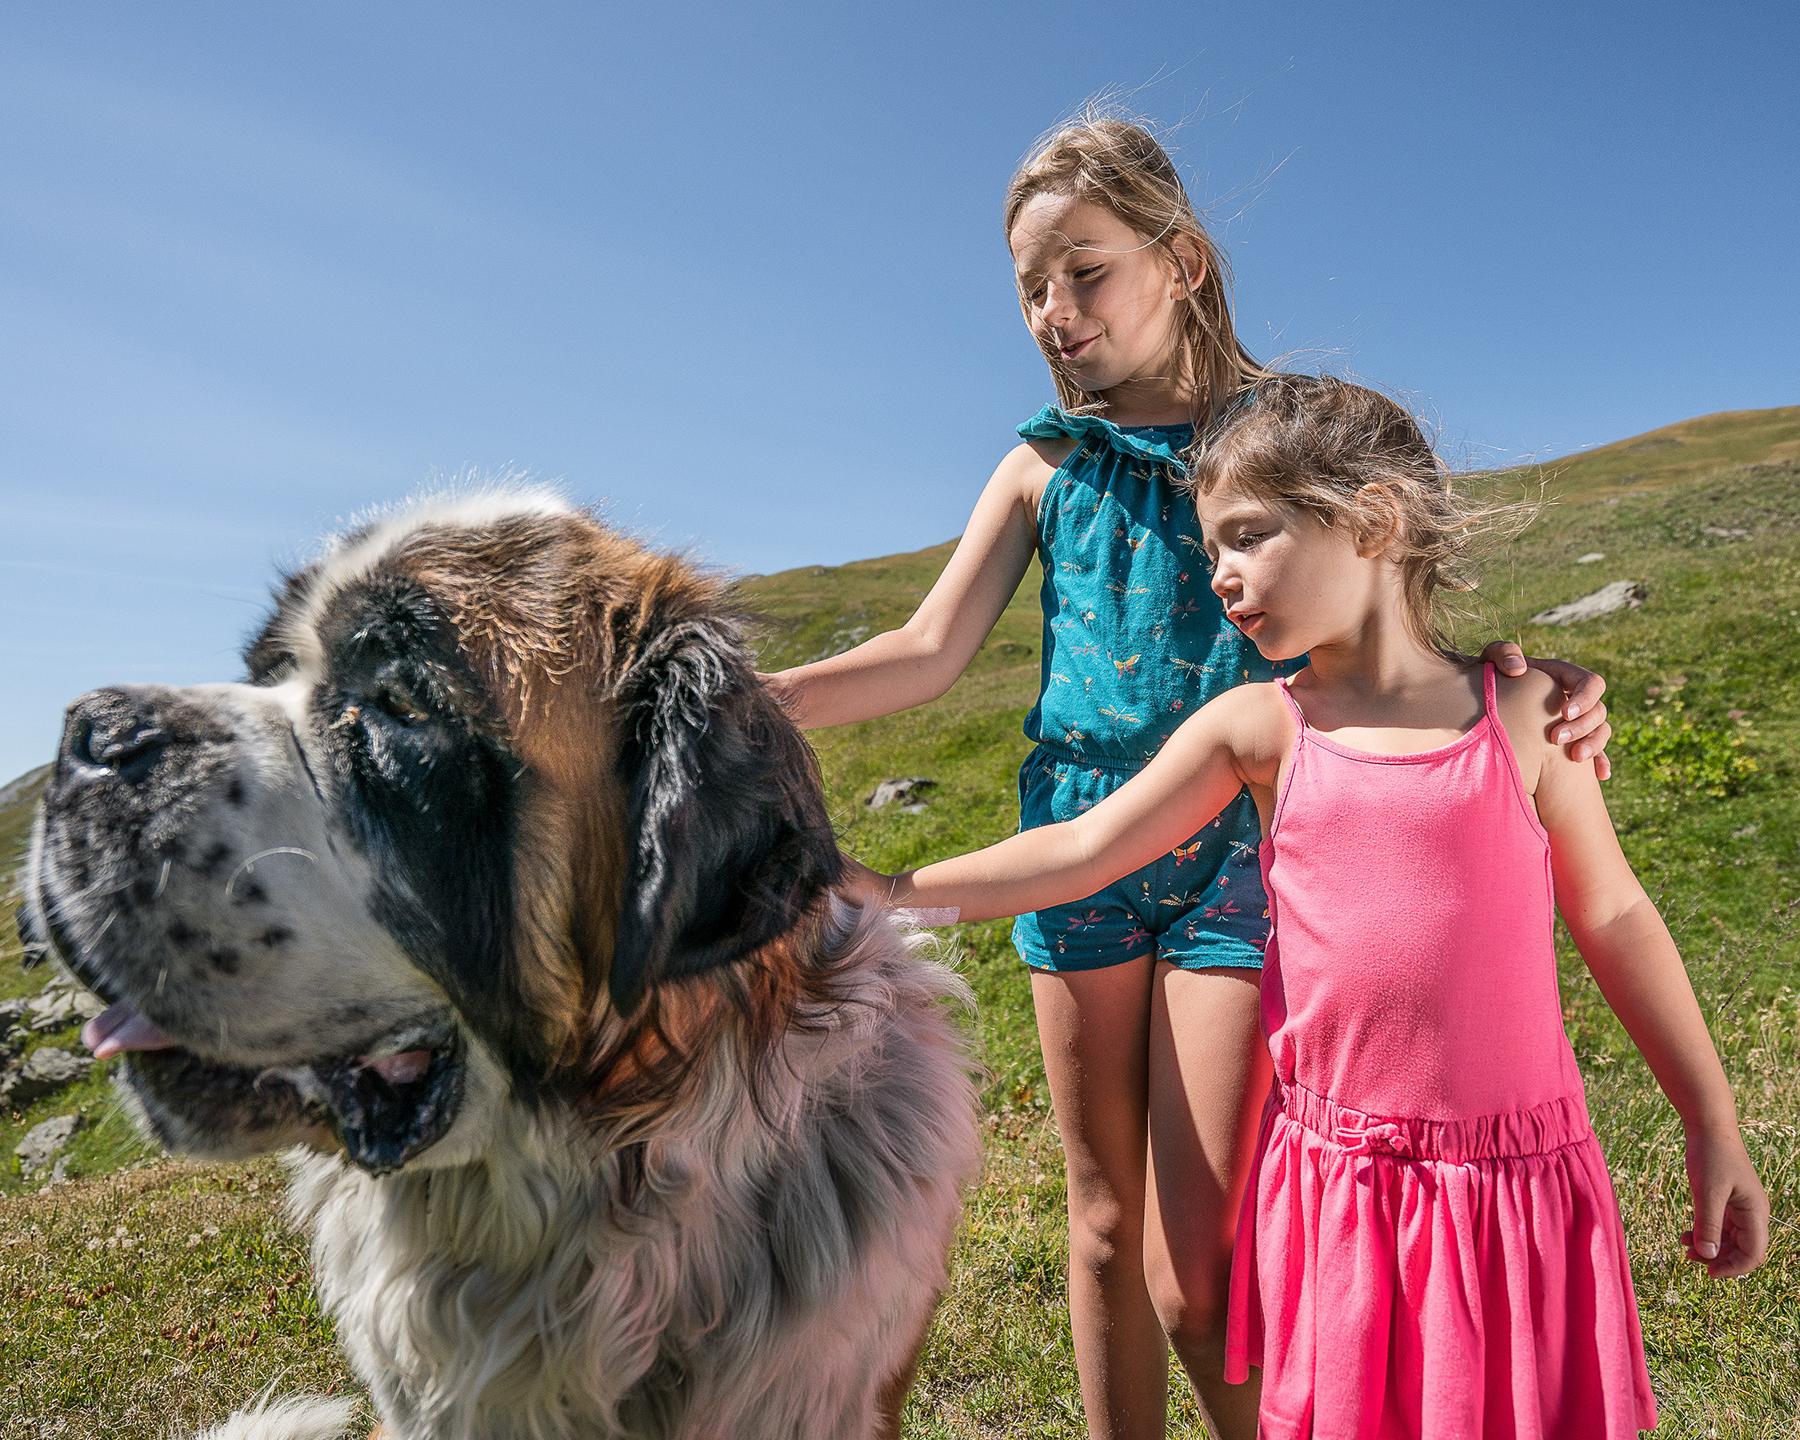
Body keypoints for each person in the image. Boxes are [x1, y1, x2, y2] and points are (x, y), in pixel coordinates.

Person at [763, 116, 1614, 1440]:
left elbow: (1383, 588)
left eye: (1084, 272)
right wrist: (729, 705)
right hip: (1078, 853)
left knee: (1197, 1280)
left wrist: (1517, 676)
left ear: (1183, 259)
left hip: (1244, 859)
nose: (1054, 311)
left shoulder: (1279, 438)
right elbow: (925, 654)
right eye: (1031, 287)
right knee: (1103, 1226)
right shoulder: (1041, 464)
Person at [851, 374, 1770, 1437]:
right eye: (1214, 554)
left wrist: (1711, 1119)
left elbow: (1614, 918)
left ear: (1373, 520)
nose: (1225, 580)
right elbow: (1081, 850)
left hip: (1514, 1188)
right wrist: (889, 895)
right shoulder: (1257, 731)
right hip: (1343, 1195)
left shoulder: (1525, 719)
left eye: (1248, 538)